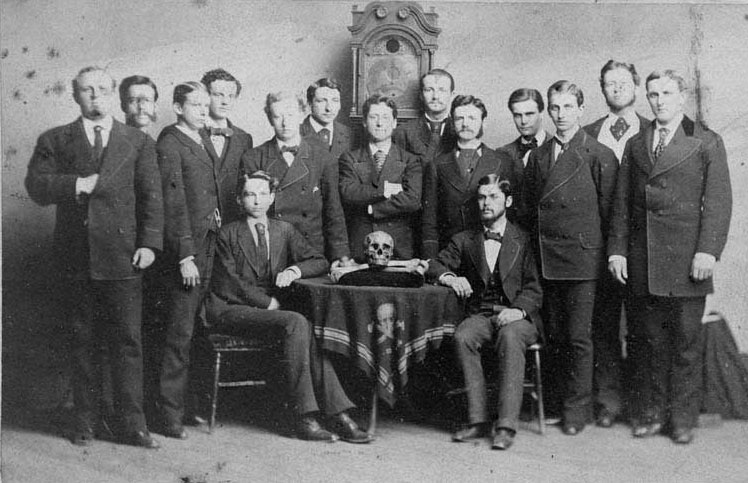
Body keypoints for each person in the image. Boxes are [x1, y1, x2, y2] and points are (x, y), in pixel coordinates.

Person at [25, 66, 163, 449]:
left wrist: (150, 244)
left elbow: (152, 197)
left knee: (127, 341)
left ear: (113, 93)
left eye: (102, 88)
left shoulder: (137, 141)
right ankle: (85, 419)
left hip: (124, 256)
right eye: (87, 90)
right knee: (82, 338)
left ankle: (133, 423)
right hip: (77, 257)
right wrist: (75, 184)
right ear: (76, 96)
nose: (95, 95)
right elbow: (35, 185)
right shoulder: (56, 139)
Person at [608, 70, 732, 444]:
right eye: (653, 94)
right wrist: (617, 251)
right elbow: (622, 203)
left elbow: (719, 202)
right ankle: (650, 414)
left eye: (666, 93)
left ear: (682, 97)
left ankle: (681, 419)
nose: (659, 101)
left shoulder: (706, 141)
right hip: (643, 260)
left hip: (687, 261)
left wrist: (708, 251)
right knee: (648, 343)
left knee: (685, 345)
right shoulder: (636, 144)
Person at [206, 171, 372, 443]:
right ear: (239, 200)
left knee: (306, 327)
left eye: (263, 194)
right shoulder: (227, 233)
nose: (257, 200)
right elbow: (229, 283)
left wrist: (294, 270)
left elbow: (318, 260)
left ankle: (336, 414)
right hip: (230, 308)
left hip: (268, 315)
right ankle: (305, 416)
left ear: (272, 198)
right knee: (296, 322)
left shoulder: (283, 230)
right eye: (249, 194)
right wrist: (267, 302)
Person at [521, 80, 618, 435]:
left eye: (568, 107)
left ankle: (577, 411)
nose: (561, 115)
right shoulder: (539, 157)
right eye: (555, 108)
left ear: (581, 110)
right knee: (557, 336)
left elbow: (611, 216)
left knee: (579, 338)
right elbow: (529, 211)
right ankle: (560, 403)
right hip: (548, 259)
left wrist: (606, 259)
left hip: (583, 262)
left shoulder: (599, 155)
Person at [428, 175, 542, 450]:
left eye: (493, 197)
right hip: (482, 314)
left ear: (508, 201)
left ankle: (505, 425)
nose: (486, 203)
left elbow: (534, 287)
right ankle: (477, 420)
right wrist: (450, 277)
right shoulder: (465, 239)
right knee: (463, 336)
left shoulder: (524, 239)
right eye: (481, 197)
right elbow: (434, 265)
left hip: (518, 317)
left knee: (510, 337)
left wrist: (517, 310)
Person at [583, 60, 650, 428]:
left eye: (624, 82)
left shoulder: (653, 131)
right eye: (610, 83)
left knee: (641, 328)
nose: (618, 88)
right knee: (603, 327)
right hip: (597, 249)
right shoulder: (588, 134)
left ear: (636, 86)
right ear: (602, 89)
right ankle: (608, 402)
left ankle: (639, 405)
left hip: (643, 249)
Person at [151, 81, 216, 439]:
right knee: (177, 336)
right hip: (186, 255)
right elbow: (172, 206)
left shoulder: (200, 138)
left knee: (193, 333)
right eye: (196, 105)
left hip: (207, 250)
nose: (204, 111)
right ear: (178, 108)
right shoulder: (169, 144)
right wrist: (185, 256)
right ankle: (168, 414)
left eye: (207, 104)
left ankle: (187, 407)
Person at [240, 91, 351, 266]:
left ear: (301, 115)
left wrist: (340, 254)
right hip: (271, 251)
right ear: (270, 119)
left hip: (311, 252)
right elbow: (248, 215)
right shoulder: (254, 157)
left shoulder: (322, 156)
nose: (285, 123)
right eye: (278, 116)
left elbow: (333, 209)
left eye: (291, 115)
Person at [421, 95, 515, 259]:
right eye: (460, 118)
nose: (465, 124)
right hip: (449, 252)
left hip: (490, 251)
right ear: (452, 122)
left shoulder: (502, 162)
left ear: (483, 122)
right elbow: (429, 220)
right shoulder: (436, 165)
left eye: (472, 118)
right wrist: (432, 261)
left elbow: (512, 214)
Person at [339, 95, 421, 260]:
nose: (379, 123)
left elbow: (412, 200)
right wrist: (386, 190)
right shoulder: (349, 158)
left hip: (398, 248)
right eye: (373, 117)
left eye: (385, 117)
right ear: (364, 122)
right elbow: (349, 193)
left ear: (395, 122)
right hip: (361, 245)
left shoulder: (410, 160)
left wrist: (372, 208)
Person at [200, 68, 254, 225]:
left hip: (233, 224)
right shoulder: (191, 134)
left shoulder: (244, 139)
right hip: (200, 227)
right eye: (218, 95)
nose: (225, 102)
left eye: (231, 96)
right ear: (205, 96)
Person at [392, 68, 458, 165]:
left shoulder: (459, 130)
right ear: (421, 95)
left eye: (442, 90)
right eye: (429, 90)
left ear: (452, 95)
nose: (435, 96)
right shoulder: (403, 132)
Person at [497, 88, 551, 181]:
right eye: (517, 115)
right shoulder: (502, 153)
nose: (523, 121)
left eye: (529, 114)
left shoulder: (558, 148)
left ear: (541, 113)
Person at [300, 78, 353, 162]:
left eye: (335, 101)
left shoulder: (350, 135)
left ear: (340, 104)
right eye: (321, 101)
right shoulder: (295, 133)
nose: (329, 108)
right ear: (310, 104)